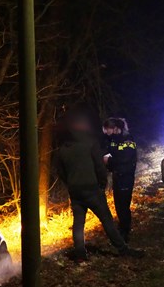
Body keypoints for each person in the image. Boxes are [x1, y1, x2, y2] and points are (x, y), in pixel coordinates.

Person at [55, 105, 143, 261]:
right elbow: (100, 167)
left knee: (78, 223)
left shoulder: (63, 149)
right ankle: (122, 248)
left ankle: (80, 253)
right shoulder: (90, 144)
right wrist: (102, 183)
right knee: (107, 220)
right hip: (92, 189)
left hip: (75, 191)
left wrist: (70, 184)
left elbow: (61, 172)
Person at [103, 117, 137, 242]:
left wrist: (110, 160)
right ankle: (121, 229)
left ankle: (125, 232)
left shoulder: (127, 139)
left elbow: (126, 159)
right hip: (118, 176)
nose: (106, 132)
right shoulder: (113, 139)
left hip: (126, 177)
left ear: (115, 128)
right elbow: (112, 153)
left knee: (123, 206)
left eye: (107, 129)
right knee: (118, 205)